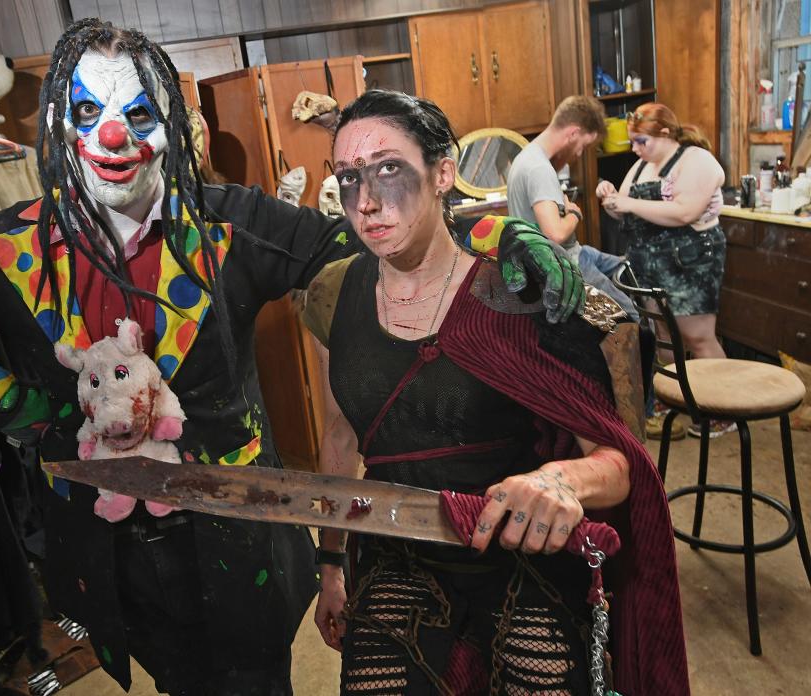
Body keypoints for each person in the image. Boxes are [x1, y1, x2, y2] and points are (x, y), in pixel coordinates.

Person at [0, 21, 582, 696]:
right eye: (88, 112)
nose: (112, 135)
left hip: (241, 542)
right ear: (58, 122)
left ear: (175, 127)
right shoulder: (1, 249)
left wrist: (491, 231)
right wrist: (8, 402)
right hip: (105, 547)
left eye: (140, 115)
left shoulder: (230, 225)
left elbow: (370, 234)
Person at [303, 90, 689, 695]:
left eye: (388, 169)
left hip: (520, 550)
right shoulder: (331, 296)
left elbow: (619, 467)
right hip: (401, 550)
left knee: (541, 677)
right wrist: (330, 566)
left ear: (443, 174)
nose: (367, 201)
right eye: (349, 178)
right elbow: (339, 435)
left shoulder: (516, 291)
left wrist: (559, 482)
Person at [596, 102, 729, 439]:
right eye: (634, 143)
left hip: (690, 260)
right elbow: (627, 212)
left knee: (698, 336)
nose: (637, 149)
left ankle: (722, 409)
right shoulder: (642, 166)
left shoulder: (695, 161)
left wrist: (627, 204)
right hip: (649, 261)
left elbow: (685, 212)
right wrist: (611, 198)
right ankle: (677, 396)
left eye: (642, 141)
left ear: (666, 134)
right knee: (664, 335)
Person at [508, 95, 637, 318]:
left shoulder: (527, 157)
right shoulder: (539, 168)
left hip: (577, 253)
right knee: (630, 316)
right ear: (573, 133)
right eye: (583, 146)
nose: (578, 154)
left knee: (632, 269)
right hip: (568, 264)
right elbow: (555, 233)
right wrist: (575, 213)